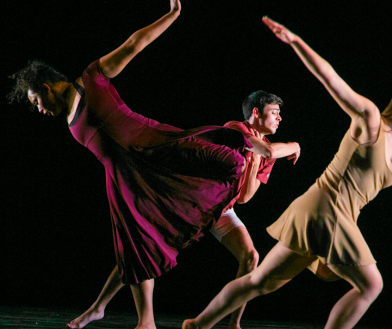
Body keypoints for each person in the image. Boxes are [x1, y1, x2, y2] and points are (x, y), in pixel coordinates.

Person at [7, 1, 268, 328]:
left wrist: (171, 16)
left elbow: (135, 44)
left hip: (153, 149)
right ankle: (140, 319)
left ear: (45, 88)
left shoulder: (92, 77)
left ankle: (258, 146)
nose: (40, 109)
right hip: (126, 178)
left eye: (36, 101)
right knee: (136, 242)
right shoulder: (70, 121)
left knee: (222, 153)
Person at [183, 16, 392, 329]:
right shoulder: (370, 119)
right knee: (371, 284)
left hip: (329, 218)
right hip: (324, 209)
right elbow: (330, 78)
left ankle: (197, 325)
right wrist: (296, 41)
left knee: (260, 282)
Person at [65, 90, 301, 329]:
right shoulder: (235, 129)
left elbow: (244, 198)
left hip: (222, 208)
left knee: (250, 256)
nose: (279, 118)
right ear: (255, 113)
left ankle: (234, 324)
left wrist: (255, 162)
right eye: (274, 113)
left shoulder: (268, 152)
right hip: (194, 203)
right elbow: (269, 150)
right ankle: (98, 308)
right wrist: (294, 145)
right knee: (143, 250)